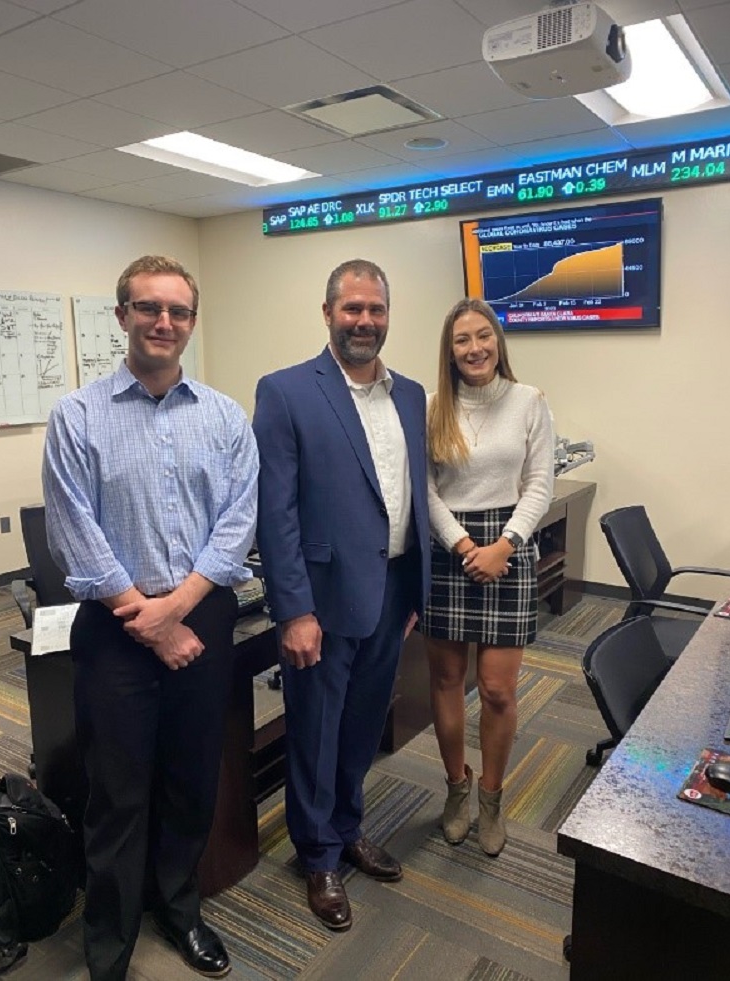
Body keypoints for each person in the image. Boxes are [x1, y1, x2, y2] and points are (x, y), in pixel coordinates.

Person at [42, 255, 259, 980]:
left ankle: (178, 905)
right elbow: (74, 529)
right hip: (114, 630)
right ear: (122, 316)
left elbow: (237, 524)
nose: (163, 322)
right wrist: (149, 618)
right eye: (148, 308)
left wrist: (178, 609)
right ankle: (110, 942)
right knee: (117, 791)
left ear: (192, 322)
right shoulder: (77, 416)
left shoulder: (225, 416)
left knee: (191, 778)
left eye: (177, 311)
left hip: (201, 617)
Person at [252, 259, 430, 932]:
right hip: (321, 601)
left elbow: (413, 494)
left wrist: (414, 587)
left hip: (391, 590)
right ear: (327, 312)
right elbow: (277, 513)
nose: (364, 321)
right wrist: (293, 608)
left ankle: (347, 825)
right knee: (315, 730)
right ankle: (317, 854)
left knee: (362, 724)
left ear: (388, 315)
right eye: (352, 308)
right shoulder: (286, 391)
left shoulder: (409, 394)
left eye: (375, 309)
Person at [422, 297, 554, 857]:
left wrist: (504, 545)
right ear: (449, 352)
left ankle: (492, 799)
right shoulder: (433, 407)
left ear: (498, 341)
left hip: (509, 548)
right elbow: (424, 490)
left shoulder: (529, 401)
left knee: (498, 689)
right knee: (447, 682)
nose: (474, 348)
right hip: (449, 549)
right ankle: (457, 788)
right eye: (461, 340)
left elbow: (540, 484)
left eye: (483, 337)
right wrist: (462, 543)